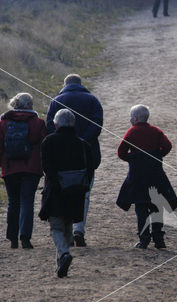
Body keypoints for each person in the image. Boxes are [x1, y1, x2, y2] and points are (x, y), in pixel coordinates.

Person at [46, 73, 103, 248]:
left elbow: (49, 124)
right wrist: (83, 140)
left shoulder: (56, 101)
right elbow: (98, 124)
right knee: (84, 192)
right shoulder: (92, 100)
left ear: (65, 84)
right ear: (80, 83)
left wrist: (61, 140)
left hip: (61, 154)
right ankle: (79, 229)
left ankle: (66, 230)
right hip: (88, 154)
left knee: (63, 191)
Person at [39, 109, 93, 278]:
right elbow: (90, 169)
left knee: (56, 226)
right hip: (76, 191)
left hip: (56, 190)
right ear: (73, 124)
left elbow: (46, 168)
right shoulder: (83, 144)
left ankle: (63, 254)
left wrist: (56, 184)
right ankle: (61, 262)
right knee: (68, 223)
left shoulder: (49, 141)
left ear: (56, 124)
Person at [116, 105, 177, 249]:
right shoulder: (156, 131)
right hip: (155, 175)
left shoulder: (132, 132)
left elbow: (121, 152)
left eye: (131, 116)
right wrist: (157, 156)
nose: (130, 119)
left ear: (135, 118)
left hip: (138, 177)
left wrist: (133, 159)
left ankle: (144, 239)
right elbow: (168, 146)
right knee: (157, 206)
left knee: (141, 207)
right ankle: (158, 239)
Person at [0, 92, 45, 249]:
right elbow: (44, 147)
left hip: (10, 169)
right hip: (31, 169)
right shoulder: (38, 123)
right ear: (30, 105)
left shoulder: (2, 124)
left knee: (13, 202)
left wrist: (3, 164)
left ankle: (12, 238)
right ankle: (25, 237)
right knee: (27, 201)